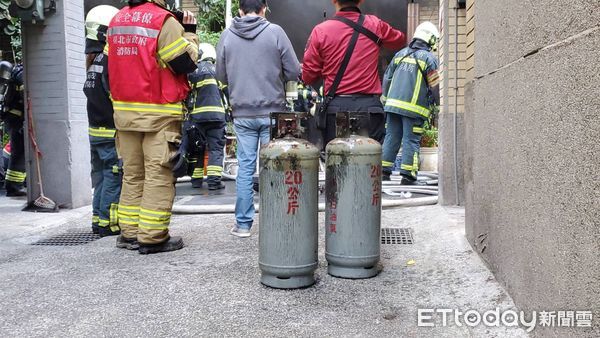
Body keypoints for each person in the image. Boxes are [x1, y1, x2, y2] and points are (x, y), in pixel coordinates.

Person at [107, 0, 198, 253]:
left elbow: (110, 65)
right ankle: (152, 236)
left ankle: (129, 233)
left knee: (133, 175)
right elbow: (184, 64)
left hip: (124, 115)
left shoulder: (117, 21)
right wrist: (190, 33)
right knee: (158, 173)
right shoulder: (163, 21)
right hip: (158, 114)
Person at [217, 0, 300, 238]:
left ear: (240, 10)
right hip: (273, 112)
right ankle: (274, 224)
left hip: (242, 113)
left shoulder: (227, 35)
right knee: (273, 166)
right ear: (264, 8)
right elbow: (294, 71)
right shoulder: (275, 32)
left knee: (245, 167)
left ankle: (243, 225)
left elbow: (220, 74)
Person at [302, 0, 405, 146]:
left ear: (334, 0)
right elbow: (399, 40)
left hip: (336, 108)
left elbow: (308, 76)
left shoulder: (321, 30)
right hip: (370, 108)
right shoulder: (375, 25)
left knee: (337, 160)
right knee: (370, 159)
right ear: (361, 0)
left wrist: (327, 63)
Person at [381, 22, 440, 185]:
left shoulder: (400, 54)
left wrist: (385, 100)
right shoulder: (429, 59)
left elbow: (387, 78)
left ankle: (383, 173)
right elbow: (434, 85)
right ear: (430, 38)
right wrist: (439, 104)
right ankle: (408, 176)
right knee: (411, 140)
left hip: (392, 106)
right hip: (414, 110)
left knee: (391, 137)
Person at [83, 5, 122, 237]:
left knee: (100, 178)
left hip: (95, 132)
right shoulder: (108, 61)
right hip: (109, 133)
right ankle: (108, 223)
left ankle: (98, 220)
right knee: (112, 177)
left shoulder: (93, 62)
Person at [186, 43, 227, 191]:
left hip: (197, 117)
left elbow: (187, 93)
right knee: (215, 148)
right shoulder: (219, 71)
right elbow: (226, 93)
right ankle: (214, 182)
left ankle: (196, 180)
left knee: (197, 147)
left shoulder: (193, 71)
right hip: (217, 117)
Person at [0, 61, 26, 197]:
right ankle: (14, 187)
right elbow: (26, 95)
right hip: (17, 120)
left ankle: (13, 185)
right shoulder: (21, 74)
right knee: (20, 152)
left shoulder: (15, 73)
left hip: (12, 118)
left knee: (18, 151)